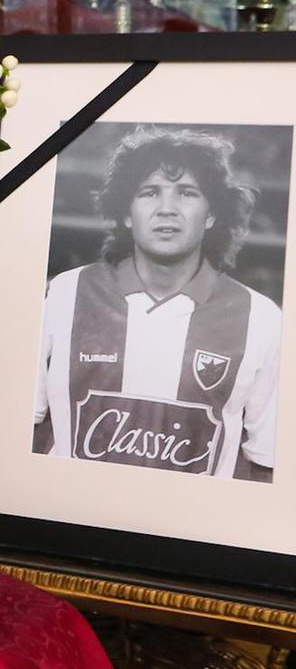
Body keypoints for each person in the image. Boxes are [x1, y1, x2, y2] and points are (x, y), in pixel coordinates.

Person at [33, 126, 281, 482]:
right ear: (126, 214)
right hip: (70, 521)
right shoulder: (61, 294)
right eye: (149, 192)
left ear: (211, 216)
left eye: (187, 193)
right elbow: (22, 428)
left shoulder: (261, 318)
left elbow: (266, 462)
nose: (167, 209)